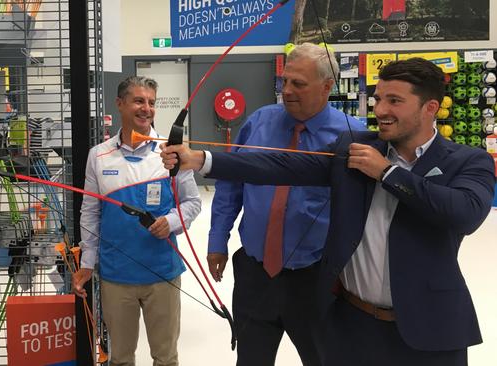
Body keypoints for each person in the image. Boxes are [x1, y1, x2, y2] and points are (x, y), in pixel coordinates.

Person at [161, 58, 496, 366]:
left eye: (394, 101)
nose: (380, 110)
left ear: (430, 108)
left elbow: (465, 213)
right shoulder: (356, 148)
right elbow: (282, 165)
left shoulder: (467, 161)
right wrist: (202, 160)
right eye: (378, 99)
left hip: (429, 329)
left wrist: (388, 173)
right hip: (353, 324)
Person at [207, 42, 365, 366]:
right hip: (255, 273)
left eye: (299, 84)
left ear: (327, 86)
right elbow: (231, 184)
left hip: (316, 278)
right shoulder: (259, 122)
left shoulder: (353, 136)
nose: (287, 91)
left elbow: (362, 210)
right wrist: (217, 240)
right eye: (285, 81)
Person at [73, 76, 201, 366]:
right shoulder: (99, 156)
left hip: (163, 272)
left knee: (166, 358)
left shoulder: (171, 153)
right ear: (120, 104)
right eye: (139, 101)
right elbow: (91, 211)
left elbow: (192, 203)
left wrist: (171, 222)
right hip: (117, 275)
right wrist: (87, 263)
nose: (146, 109)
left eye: (151, 103)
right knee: (120, 358)